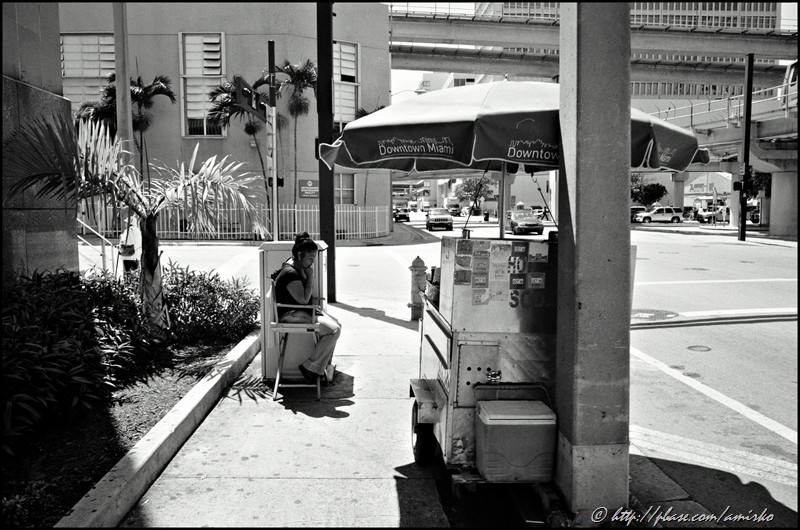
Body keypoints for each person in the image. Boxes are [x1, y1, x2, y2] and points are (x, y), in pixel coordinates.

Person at [272, 232, 341, 385]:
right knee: (334, 329)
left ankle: (321, 367)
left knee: (337, 326)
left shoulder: (295, 265)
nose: (312, 262)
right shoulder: (290, 273)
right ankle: (311, 368)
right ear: (299, 255)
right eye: (310, 258)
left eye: (313, 258)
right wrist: (310, 277)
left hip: (301, 311)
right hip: (290, 314)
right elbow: (303, 300)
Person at [118, 215, 142, 280]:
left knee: (128, 274)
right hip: (137, 255)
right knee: (135, 273)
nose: (125, 224)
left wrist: (121, 237)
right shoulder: (137, 230)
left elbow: (127, 242)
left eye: (126, 222)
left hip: (129, 256)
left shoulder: (128, 230)